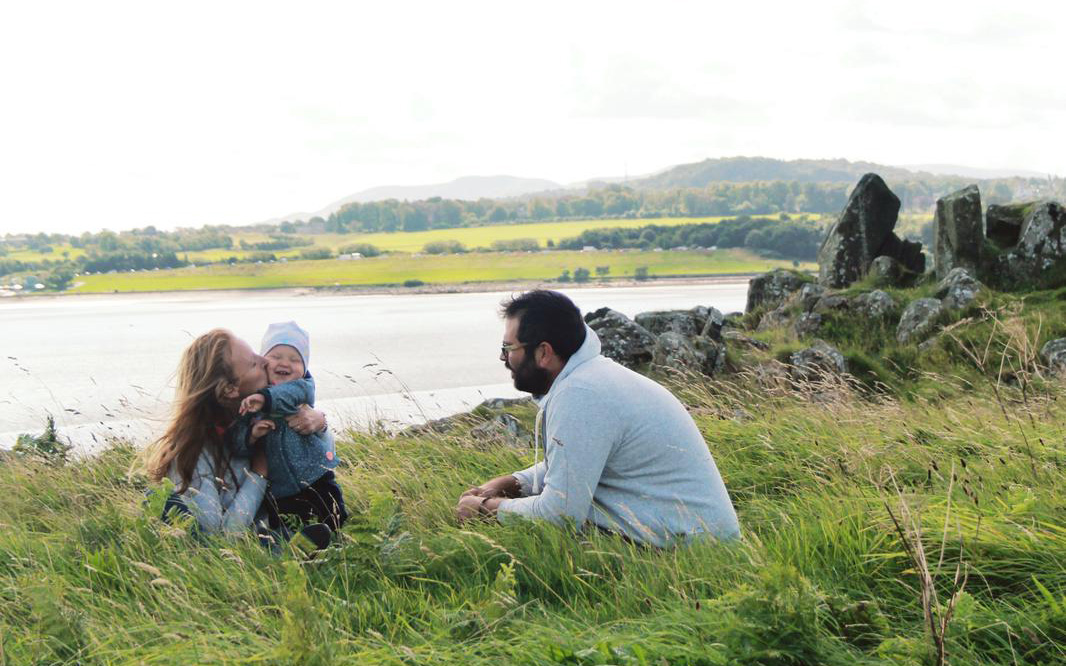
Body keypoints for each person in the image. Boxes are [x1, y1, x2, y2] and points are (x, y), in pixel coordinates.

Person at [456, 290, 740, 547]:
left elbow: (558, 516)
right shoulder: (592, 379)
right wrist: (509, 484)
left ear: (544, 352)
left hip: (691, 550)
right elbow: (578, 463)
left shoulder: (581, 394)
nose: (504, 359)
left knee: (541, 548)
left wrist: (485, 510)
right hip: (698, 536)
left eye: (509, 348)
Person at [142, 328, 331, 552]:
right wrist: (260, 473)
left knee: (277, 529)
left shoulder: (256, 416)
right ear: (231, 389)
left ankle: (292, 548)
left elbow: (323, 459)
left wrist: (320, 424)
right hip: (215, 537)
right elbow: (216, 533)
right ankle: (287, 554)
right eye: (252, 363)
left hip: (251, 524)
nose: (264, 360)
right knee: (192, 523)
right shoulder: (194, 451)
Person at [236, 321, 347, 533]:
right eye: (276, 356)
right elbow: (238, 440)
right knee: (286, 524)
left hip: (317, 476)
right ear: (261, 360)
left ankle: (332, 544)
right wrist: (250, 435)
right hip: (279, 488)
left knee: (334, 515)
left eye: (295, 360)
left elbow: (288, 396)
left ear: (304, 368)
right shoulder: (252, 395)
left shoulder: (302, 387)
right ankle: (302, 548)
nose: (285, 364)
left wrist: (264, 398)